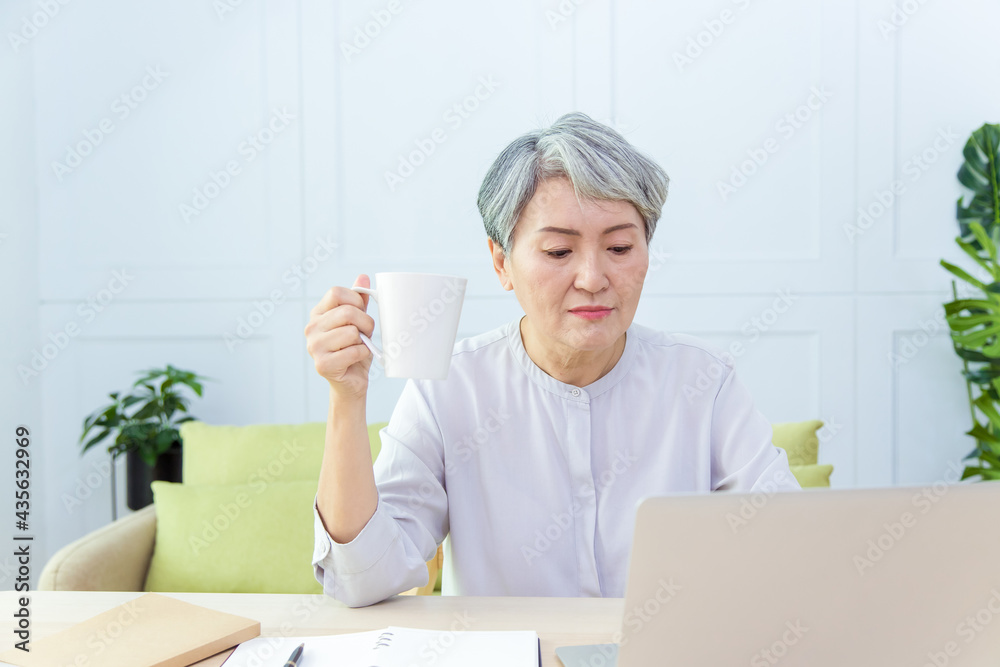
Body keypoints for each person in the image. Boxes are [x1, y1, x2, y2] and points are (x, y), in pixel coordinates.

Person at [303, 112, 801, 608]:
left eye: (620, 247)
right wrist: (346, 398)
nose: (592, 277)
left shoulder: (702, 381)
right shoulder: (450, 387)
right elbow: (361, 580)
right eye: (560, 251)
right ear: (502, 263)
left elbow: (793, 551)